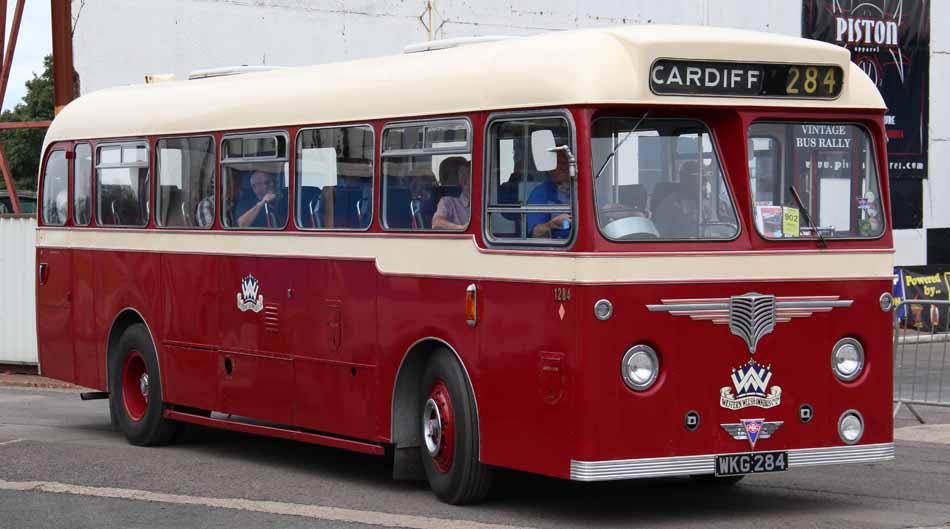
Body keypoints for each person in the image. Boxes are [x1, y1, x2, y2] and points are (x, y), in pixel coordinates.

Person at [527, 151, 572, 239]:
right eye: (557, 163)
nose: (562, 167)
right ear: (550, 169)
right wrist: (551, 224)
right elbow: (534, 233)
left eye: (565, 163)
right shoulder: (540, 194)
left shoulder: (582, 187)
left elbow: (602, 207)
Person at [652, 160, 701, 238]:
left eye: (699, 178)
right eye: (691, 178)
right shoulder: (669, 205)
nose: (696, 182)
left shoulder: (712, 201)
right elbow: (660, 235)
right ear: (683, 179)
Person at [432, 158, 471, 230]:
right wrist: (463, 228)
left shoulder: (485, 200)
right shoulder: (448, 201)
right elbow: (436, 223)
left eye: (468, 174)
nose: (464, 179)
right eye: (462, 175)